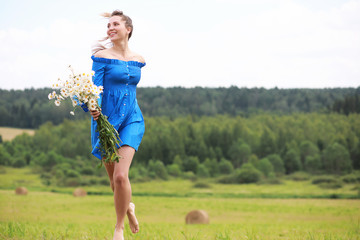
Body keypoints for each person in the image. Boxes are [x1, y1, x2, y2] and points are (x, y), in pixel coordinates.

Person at [89, 10, 146, 240]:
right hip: (106, 121)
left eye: (115, 24)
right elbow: (95, 87)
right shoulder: (101, 56)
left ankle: (119, 227)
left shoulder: (139, 60)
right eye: (108, 25)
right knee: (114, 182)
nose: (110, 28)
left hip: (132, 119)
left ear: (127, 29)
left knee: (122, 177)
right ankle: (128, 206)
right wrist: (93, 106)